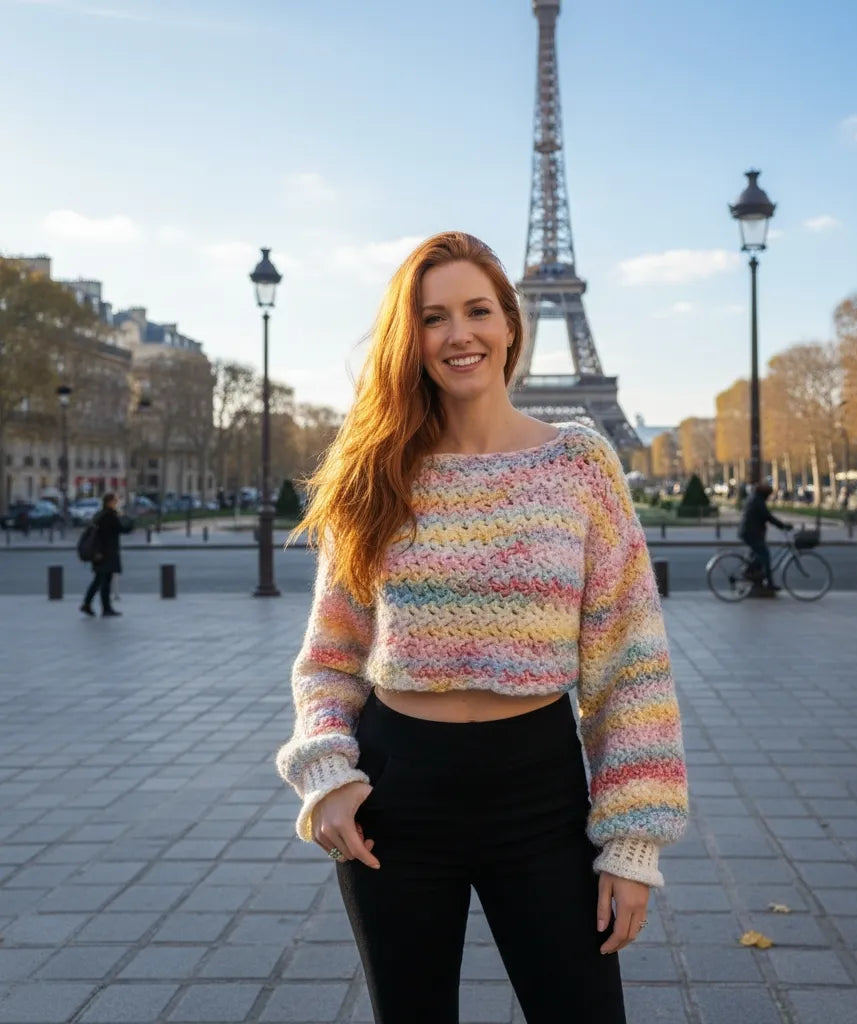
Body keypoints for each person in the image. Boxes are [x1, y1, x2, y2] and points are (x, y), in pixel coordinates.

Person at [275, 232, 688, 1024]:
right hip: (397, 792)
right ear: (414, 339)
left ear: (511, 322)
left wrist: (634, 842)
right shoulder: (376, 470)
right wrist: (328, 773)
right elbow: (330, 657)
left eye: (476, 310)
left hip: (539, 789)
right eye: (434, 318)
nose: (458, 333)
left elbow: (628, 660)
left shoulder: (580, 463)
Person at [80, 492, 129, 617]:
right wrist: (125, 517)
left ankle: (91, 605)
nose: (116, 503)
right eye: (115, 501)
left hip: (100, 552)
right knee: (103, 581)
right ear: (109, 502)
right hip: (106, 553)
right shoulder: (110, 516)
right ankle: (102, 608)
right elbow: (123, 529)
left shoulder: (100, 515)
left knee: (100, 580)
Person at [738, 481, 792, 591]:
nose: (768, 497)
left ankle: (756, 576)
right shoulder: (758, 501)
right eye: (768, 495)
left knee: (758, 555)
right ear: (765, 494)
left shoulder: (756, 498)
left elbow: (766, 516)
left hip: (750, 532)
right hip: (751, 533)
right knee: (765, 556)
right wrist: (783, 526)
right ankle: (768, 583)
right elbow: (768, 516)